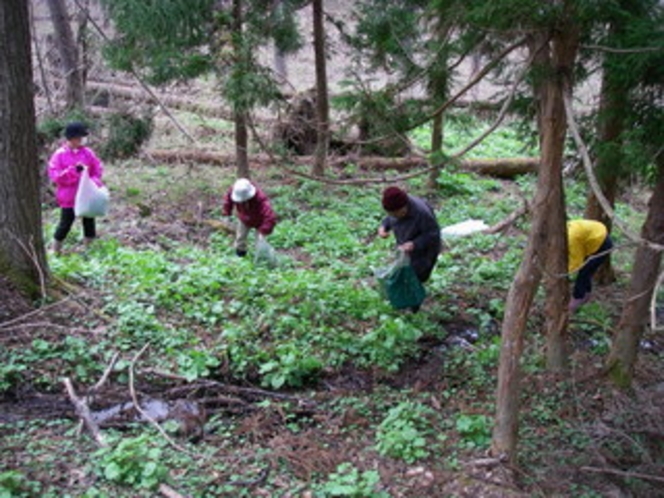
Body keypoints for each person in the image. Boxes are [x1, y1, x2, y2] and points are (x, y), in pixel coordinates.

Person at [48, 122, 104, 255]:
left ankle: (90, 250)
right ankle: (55, 249)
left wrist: (93, 181)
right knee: (66, 222)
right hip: (69, 196)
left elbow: (97, 169)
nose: (81, 141)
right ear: (70, 138)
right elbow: (55, 176)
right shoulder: (59, 155)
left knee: (89, 221)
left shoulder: (88, 153)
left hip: (86, 194)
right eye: (78, 138)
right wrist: (73, 171)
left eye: (82, 138)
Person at [378, 186, 442, 285]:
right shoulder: (395, 209)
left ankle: (415, 295)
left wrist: (414, 244)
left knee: (416, 277)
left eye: (395, 214)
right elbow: (389, 218)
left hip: (424, 251)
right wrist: (384, 227)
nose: (393, 216)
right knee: (402, 272)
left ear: (404, 208)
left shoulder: (422, 212)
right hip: (405, 246)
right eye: (391, 214)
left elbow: (433, 234)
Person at [222, 178, 277, 257]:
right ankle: (240, 254)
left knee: (260, 242)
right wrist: (226, 213)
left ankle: (262, 258)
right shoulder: (234, 190)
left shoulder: (260, 199)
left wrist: (264, 230)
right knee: (240, 238)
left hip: (260, 221)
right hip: (244, 218)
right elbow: (228, 201)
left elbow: (270, 216)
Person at [567, 219, 613, 312]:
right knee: (587, 271)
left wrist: (564, 273)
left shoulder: (571, 238)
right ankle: (586, 294)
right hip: (595, 235)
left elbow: (577, 263)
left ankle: (577, 299)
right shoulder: (565, 231)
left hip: (602, 244)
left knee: (584, 272)